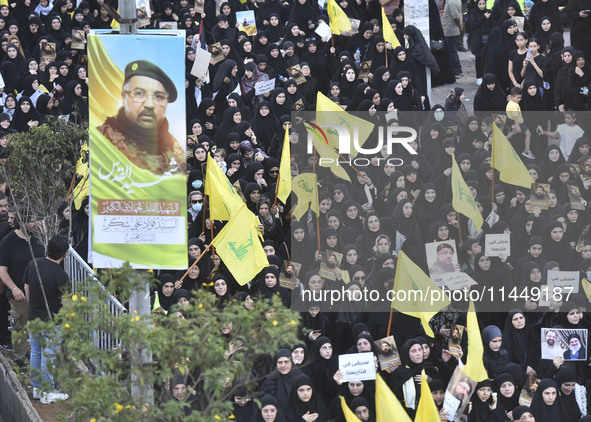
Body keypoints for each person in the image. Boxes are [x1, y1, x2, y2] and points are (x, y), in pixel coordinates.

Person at [96, 60, 186, 174]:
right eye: (139, 94)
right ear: (124, 97)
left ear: (166, 102)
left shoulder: (175, 149)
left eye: (158, 96)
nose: (149, 104)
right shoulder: (101, 140)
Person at [24, 235, 70, 404]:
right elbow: (67, 304)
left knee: (36, 352)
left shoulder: (33, 264)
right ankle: (46, 391)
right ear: (64, 254)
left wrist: (33, 306)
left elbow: (26, 287)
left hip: (33, 316)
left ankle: (37, 388)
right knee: (48, 355)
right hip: (52, 321)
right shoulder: (61, 275)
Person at [441, 0, 463, 78]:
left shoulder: (451, 2)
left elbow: (456, 16)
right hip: (452, 30)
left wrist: (459, 24)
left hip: (450, 31)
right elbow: (460, 13)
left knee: (452, 53)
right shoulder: (457, 1)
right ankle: (458, 70)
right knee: (454, 52)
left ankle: (456, 71)